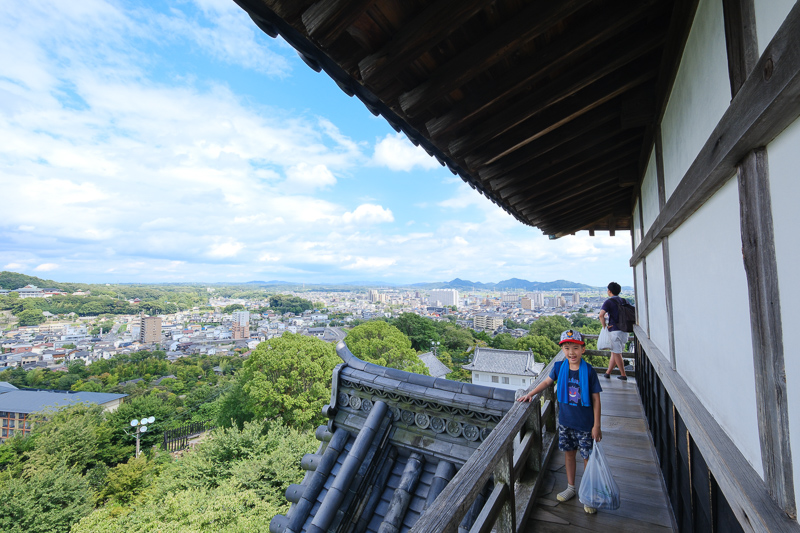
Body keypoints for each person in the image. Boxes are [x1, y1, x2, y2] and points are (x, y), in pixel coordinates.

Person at [518, 329, 602, 514]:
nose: (571, 352)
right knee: (569, 455)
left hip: (586, 425)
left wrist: (597, 426)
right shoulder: (558, 367)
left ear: (583, 350)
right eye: (566, 348)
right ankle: (571, 487)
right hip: (565, 422)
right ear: (563, 350)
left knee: (587, 458)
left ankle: (588, 495)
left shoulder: (589, 372)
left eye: (575, 348)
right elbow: (546, 383)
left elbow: (596, 399)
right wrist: (530, 393)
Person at [599, 281, 629, 381]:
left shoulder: (609, 302)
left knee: (617, 353)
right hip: (625, 330)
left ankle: (623, 375)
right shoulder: (625, 301)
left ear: (609, 291)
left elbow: (601, 315)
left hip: (614, 330)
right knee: (614, 352)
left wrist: (605, 327)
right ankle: (608, 372)